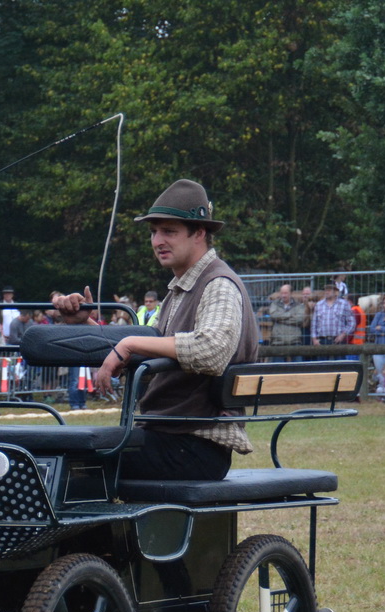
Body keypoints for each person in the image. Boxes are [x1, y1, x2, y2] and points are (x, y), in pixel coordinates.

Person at [61, 179, 259, 483]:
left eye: (169, 231)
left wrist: (127, 344)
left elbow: (213, 351)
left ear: (200, 233)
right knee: (59, 452)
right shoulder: (180, 291)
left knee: (74, 465)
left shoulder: (218, 284)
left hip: (194, 446)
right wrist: (85, 323)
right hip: (166, 437)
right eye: (154, 232)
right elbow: (147, 349)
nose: (157, 241)